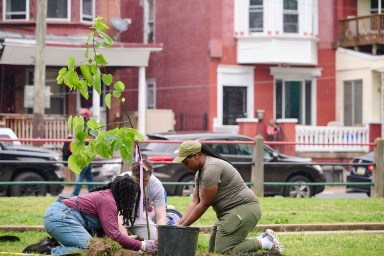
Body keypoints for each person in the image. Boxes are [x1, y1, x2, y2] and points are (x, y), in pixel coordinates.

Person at [172, 140, 285, 254]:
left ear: (195, 156)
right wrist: (179, 224)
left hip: (244, 209)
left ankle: (267, 242)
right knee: (213, 250)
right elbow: (195, 202)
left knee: (223, 250)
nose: (185, 166)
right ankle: (262, 238)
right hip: (228, 213)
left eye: (186, 162)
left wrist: (184, 226)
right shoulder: (199, 173)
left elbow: (204, 204)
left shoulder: (211, 168)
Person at [22, 175, 157, 255]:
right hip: (60, 218)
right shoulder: (108, 201)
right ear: (125, 194)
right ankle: (50, 249)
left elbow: (110, 232)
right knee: (95, 250)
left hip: (60, 216)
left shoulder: (109, 198)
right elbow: (114, 235)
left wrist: (133, 243)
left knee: (100, 244)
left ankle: (54, 243)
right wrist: (143, 245)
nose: (134, 200)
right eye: (133, 196)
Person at [124, 159, 167, 240]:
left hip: (139, 218)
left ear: (150, 175)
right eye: (138, 181)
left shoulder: (156, 185)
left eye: (145, 181)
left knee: (154, 239)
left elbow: (161, 216)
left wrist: (158, 240)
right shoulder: (123, 181)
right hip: (120, 217)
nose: (141, 184)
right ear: (133, 175)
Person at [71, 108, 95, 196]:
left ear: (87, 117)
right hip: (82, 152)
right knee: (89, 176)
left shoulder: (90, 126)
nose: (81, 117)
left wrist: (81, 140)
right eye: (80, 115)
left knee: (80, 173)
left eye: (83, 116)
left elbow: (92, 138)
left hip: (86, 153)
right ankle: (93, 193)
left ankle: (74, 195)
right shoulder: (80, 126)